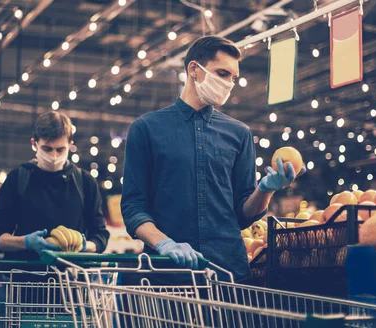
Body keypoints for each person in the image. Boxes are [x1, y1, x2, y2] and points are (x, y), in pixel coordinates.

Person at [121, 36, 303, 282]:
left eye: (233, 78)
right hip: (166, 275)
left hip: (228, 273)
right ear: (194, 69)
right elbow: (133, 208)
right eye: (222, 73)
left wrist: (265, 190)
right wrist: (163, 243)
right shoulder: (146, 129)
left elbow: (242, 215)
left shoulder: (239, 134)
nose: (229, 83)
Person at [0, 110, 109, 261]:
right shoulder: (18, 179)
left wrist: (85, 246)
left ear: (70, 145)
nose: (54, 156)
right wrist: (25, 242)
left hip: (71, 279)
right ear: (34, 144)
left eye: (60, 149)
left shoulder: (85, 182)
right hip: (24, 277)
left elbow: (101, 236)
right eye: (47, 148)